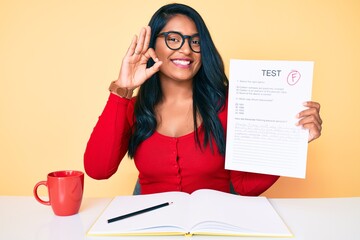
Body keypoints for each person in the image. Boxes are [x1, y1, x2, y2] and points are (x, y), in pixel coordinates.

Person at [84, 3, 322, 196]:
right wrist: (122, 89)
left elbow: (244, 186)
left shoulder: (229, 105)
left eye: (195, 41)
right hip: (152, 229)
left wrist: (291, 142)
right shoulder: (133, 109)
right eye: (173, 39)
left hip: (215, 227)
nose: (186, 50)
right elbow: (98, 169)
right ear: (152, 45)